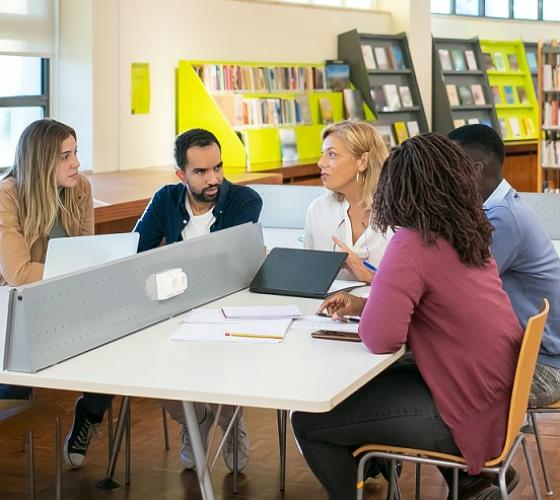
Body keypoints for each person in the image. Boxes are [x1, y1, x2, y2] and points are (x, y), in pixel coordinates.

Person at [291, 133, 523, 500]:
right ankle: (468, 484)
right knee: (371, 390)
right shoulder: (468, 231)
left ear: (397, 188)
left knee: (307, 421)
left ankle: (387, 471)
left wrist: (374, 305)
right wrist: (366, 303)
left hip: (460, 411)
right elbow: (435, 308)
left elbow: (382, 338)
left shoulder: (412, 242)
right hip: (494, 397)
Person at [134, 127, 263, 472]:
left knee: (223, 356)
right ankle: (198, 416)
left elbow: (230, 266)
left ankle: (230, 414)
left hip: (228, 310)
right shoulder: (165, 198)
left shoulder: (245, 200)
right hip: (173, 308)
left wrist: (172, 259)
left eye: (218, 168)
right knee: (143, 364)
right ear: (181, 174)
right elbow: (135, 254)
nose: (214, 179)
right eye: (201, 172)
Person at [0, 119, 112, 468]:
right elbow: (17, 273)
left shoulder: (80, 188)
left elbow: (89, 254)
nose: (76, 162)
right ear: (40, 160)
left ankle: (89, 415)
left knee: (116, 343)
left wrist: (81, 272)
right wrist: (76, 271)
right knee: (14, 393)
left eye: (75, 152)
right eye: (66, 156)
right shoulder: (8, 195)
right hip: (20, 308)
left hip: (68, 298)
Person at [449, 124, 560, 411]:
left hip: (541, 369)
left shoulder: (503, 220)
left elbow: (456, 288)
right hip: (529, 356)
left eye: (448, 167)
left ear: (473, 170)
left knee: (425, 379)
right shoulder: (499, 209)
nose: (443, 178)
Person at [304, 121, 391, 283]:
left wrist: (369, 276)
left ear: (363, 161)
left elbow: (414, 285)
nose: (320, 163)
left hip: (383, 307)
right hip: (328, 307)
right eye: (322, 154)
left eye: (332, 154)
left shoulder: (397, 215)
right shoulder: (318, 210)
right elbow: (309, 275)